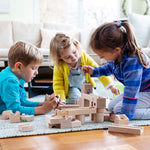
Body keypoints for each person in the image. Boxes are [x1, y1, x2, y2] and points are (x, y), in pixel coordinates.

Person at [81, 21, 150, 120]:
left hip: (147, 91)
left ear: (117, 50)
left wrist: (123, 116)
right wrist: (94, 71)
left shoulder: (132, 63)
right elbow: (109, 68)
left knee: (118, 109)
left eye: (103, 55)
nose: (100, 58)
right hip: (142, 90)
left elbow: (131, 92)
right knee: (111, 107)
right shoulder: (119, 55)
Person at [50, 33, 120, 104]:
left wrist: (111, 86)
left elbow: (98, 70)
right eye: (67, 57)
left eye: (74, 52)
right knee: (77, 99)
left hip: (86, 85)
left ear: (76, 46)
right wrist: (61, 100)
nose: (73, 57)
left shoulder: (83, 56)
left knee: (96, 99)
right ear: (60, 58)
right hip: (72, 89)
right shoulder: (59, 65)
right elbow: (58, 84)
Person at [0, 41, 59, 115]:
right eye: (33, 68)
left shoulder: (17, 75)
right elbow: (14, 110)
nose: (36, 72)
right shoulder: (9, 81)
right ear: (19, 66)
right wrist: (43, 109)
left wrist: (42, 104)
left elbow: (22, 102)